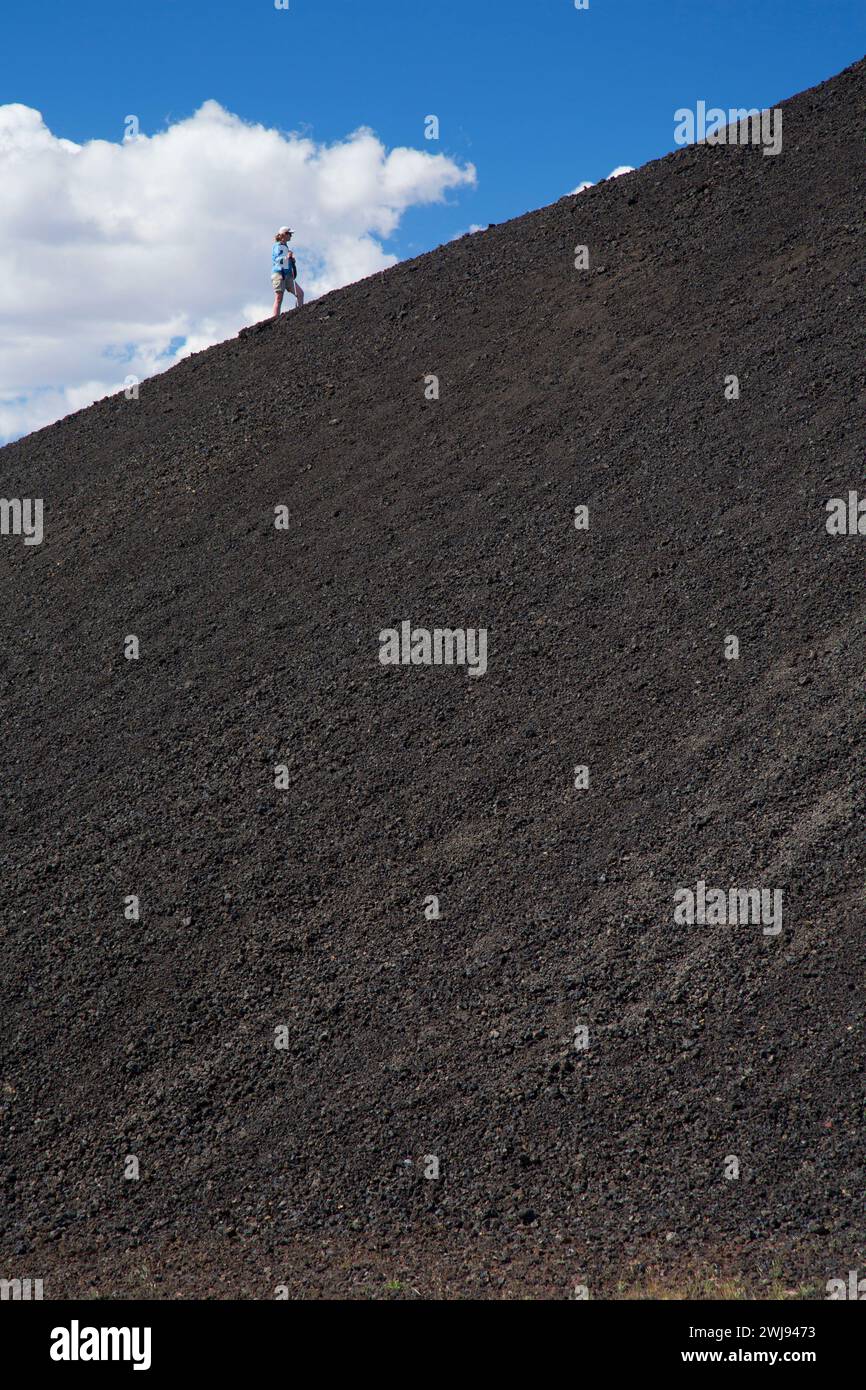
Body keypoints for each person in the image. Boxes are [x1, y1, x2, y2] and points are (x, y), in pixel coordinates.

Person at [271, 226, 304, 317]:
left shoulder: (285, 247)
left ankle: (300, 313)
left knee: (300, 293)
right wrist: (287, 257)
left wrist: (291, 261)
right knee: (279, 298)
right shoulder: (278, 246)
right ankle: (275, 319)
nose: (291, 236)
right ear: (283, 235)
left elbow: (284, 262)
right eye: (289, 234)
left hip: (288, 275)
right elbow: (278, 259)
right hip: (279, 274)